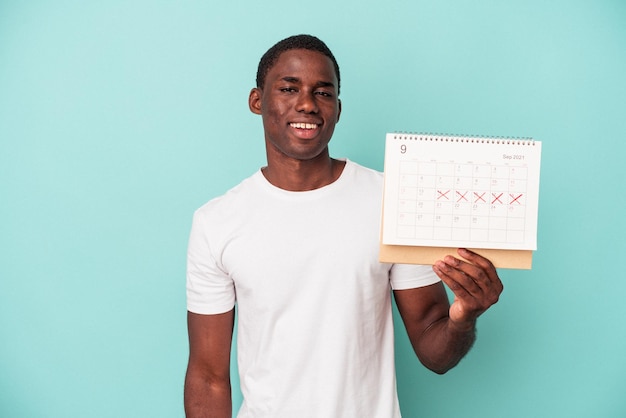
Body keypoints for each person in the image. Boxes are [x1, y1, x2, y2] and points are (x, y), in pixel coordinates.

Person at [184, 34, 503, 418]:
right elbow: (207, 376)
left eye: (323, 93)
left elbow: (434, 351)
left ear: (337, 108)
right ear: (257, 101)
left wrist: (464, 317)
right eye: (289, 88)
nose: (307, 104)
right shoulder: (216, 222)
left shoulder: (392, 201)